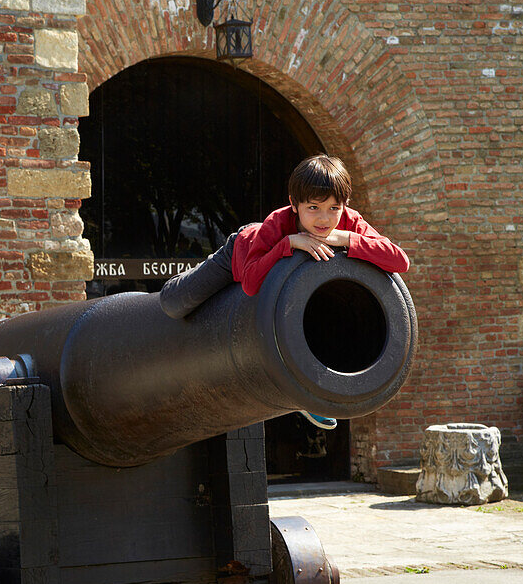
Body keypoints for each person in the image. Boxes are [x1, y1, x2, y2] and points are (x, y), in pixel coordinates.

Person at [159, 154, 409, 430]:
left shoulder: (349, 223)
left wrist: (347, 239)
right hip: (242, 255)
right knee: (173, 303)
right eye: (313, 207)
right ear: (294, 203)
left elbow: (400, 260)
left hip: (284, 291)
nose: (324, 219)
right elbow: (251, 282)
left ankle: (302, 396)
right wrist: (287, 243)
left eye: (333, 208)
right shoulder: (277, 224)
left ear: (344, 205)